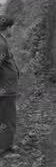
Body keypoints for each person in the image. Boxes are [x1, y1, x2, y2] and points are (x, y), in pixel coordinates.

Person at [0, 15, 19, 158]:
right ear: (7, 28)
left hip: (7, 88)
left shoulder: (2, 40)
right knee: (8, 119)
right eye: (12, 27)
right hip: (5, 90)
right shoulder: (1, 43)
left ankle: (8, 144)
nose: (13, 29)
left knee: (7, 118)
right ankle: (5, 150)